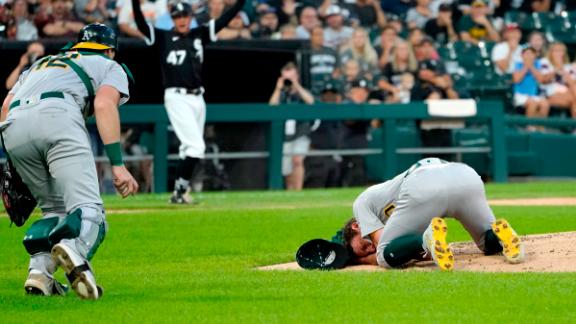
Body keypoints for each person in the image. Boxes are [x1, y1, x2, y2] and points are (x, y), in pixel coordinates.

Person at [0, 23, 139, 299]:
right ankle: (74, 250)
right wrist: (118, 165)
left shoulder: (42, 63)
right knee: (90, 212)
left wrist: (15, 160)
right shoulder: (109, 65)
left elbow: (5, 107)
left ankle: (39, 276)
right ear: (110, 50)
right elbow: (103, 105)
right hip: (58, 116)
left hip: (13, 125)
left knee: (53, 210)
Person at [130, 0, 246, 203]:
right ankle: (179, 193)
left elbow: (225, 19)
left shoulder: (199, 34)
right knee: (196, 147)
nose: (181, 20)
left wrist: (240, 2)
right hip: (176, 96)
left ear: (190, 17)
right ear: (172, 19)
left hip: (197, 97)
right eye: (177, 16)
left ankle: (180, 193)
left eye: (184, 16)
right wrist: (135, 3)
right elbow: (141, 25)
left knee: (188, 148)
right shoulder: (163, 36)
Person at [336, 158, 525, 270]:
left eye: (363, 246)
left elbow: (381, 250)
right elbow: (422, 256)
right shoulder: (400, 217)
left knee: (385, 257)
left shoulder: (361, 204)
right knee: (487, 243)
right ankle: (500, 236)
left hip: (423, 184)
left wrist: (359, 260)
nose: (369, 248)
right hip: (464, 175)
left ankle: (425, 240)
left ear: (356, 226)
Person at [268, 62, 315, 191]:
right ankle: (291, 191)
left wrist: (296, 85)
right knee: (287, 168)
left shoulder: (302, 91)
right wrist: (278, 88)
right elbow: (271, 107)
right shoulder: (282, 93)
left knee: (297, 160)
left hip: (301, 132)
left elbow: (311, 101)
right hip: (284, 135)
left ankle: (298, 190)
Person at [539, 42, 576, 118]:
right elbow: (543, 80)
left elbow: (572, 84)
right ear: (551, 52)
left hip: (567, 94)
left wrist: (563, 70)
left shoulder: (568, 67)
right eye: (556, 51)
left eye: (561, 51)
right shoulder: (544, 62)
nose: (559, 53)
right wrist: (556, 69)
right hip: (550, 94)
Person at [512, 46, 550, 119]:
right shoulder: (518, 65)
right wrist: (526, 66)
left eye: (531, 54)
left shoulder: (537, 65)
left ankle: (540, 127)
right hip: (520, 95)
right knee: (532, 103)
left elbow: (541, 80)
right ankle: (530, 127)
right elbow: (516, 79)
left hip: (533, 95)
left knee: (545, 104)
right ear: (522, 55)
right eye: (527, 53)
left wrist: (531, 67)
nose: (529, 56)